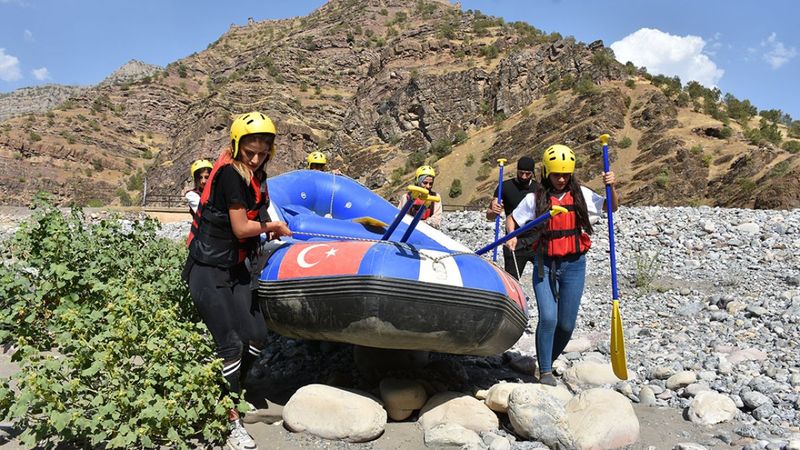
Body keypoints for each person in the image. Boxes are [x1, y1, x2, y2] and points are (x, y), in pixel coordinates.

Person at [183, 111, 292, 450]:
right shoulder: (231, 174)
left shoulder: (259, 178)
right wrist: (271, 229)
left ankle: (229, 389)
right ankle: (231, 422)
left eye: (263, 152)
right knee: (230, 342)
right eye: (251, 151)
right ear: (237, 146)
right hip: (207, 269)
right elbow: (242, 229)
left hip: (236, 268)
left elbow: (259, 216)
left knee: (257, 336)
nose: (257, 158)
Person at [509, 144, 618, 386]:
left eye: (565, 174)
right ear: (547, 172)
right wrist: (512, 235)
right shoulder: (534, 198)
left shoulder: (582, 195)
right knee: (548, 318)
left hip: (574, 265)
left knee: (566, 324)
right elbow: (512, 219)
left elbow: (611, 207)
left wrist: (611, 186)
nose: (561, 179)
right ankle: (546, 372)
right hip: (544, 264)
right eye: (556, 174)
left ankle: (543, 362)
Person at [485, 156, 538, 279]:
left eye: (528, 174)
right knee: (511, 279)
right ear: (517, 170)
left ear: (532, 173)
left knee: (544, 277)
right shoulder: (504, 187)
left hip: (536, 241)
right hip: (512, 240)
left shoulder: (539, 189)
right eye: (521, 173)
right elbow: (489, 215)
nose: (524, 176)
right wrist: (494, 210)